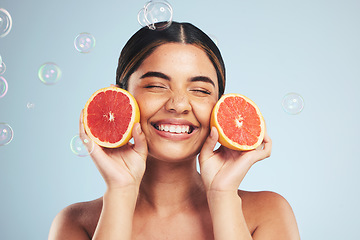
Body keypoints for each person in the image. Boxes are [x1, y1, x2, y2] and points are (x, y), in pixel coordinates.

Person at [48, 21, 300, 239]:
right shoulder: (77, 223)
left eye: (200, 90)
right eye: (157, 86)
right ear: (119, 97)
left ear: (220, 107)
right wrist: (120, 192)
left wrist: (222, 195)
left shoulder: (267, 212)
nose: (178, 105)